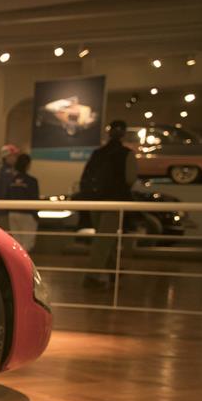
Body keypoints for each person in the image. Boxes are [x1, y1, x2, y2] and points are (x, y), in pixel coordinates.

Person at [77, 119, 137, 289]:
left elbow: (86, 177)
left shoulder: (98, 153)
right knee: (104, 239)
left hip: (95, 201)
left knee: (104, 237)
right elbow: (130, 178)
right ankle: (92, 276)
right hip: (114, 202)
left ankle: (113, 270)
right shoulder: (126, 154)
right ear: (123, 133)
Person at [0, 152, 40, 251]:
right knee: (28, 242)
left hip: (13, 213)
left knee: (17, 242)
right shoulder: (32, 181)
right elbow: (34, 199)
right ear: (28, 164)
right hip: (27, 214)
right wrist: (36, 215)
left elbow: (6, 196)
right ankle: (25, 265)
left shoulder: (11, 180)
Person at [0, 143, 20, 230]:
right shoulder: (8, 173)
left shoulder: (1, 171)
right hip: (3, 212)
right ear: (7, 157)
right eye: (14, 156)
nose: (16, 159)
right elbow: (6, 192)